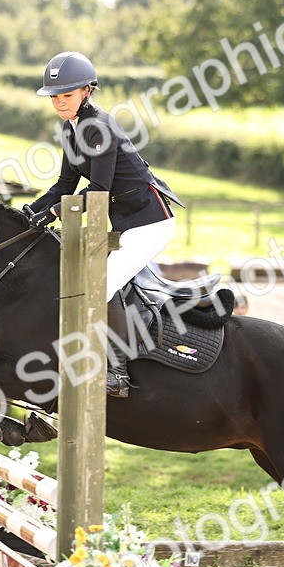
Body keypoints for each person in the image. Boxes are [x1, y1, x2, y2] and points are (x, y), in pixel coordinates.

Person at [23, 51, 183, 398]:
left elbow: (98, 191)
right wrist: (29, 211)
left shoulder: (100, 127)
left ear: (87, 92)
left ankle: (118, 369)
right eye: (55, 97)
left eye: (66, 95)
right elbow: (64, 185)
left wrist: (53, 213)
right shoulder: (72, 129)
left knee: (99, 286)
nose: (60, 103)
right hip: (123, 226)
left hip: (150, 224)